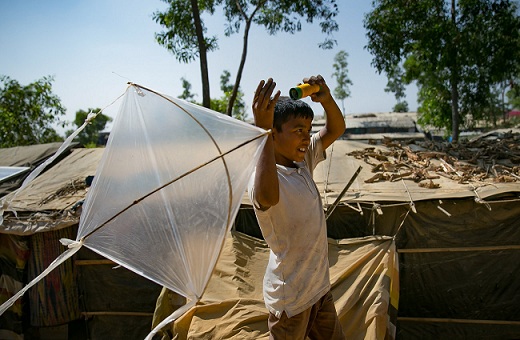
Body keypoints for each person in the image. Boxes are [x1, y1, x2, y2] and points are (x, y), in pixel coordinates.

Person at [248, 75, 346, 340]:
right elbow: (267, 197)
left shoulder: (303, 162)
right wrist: (262, 131)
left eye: (308, 129)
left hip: (318, 289)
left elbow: (336, 128)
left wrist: (326, 98)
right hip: (290, 300)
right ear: (274, 134)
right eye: (297, 130)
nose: (306, 137)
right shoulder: (266, 176)